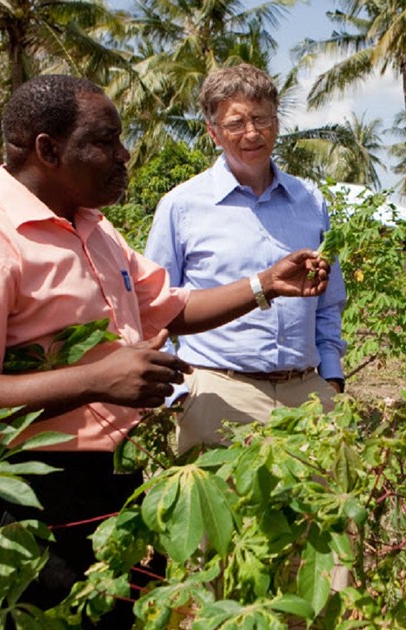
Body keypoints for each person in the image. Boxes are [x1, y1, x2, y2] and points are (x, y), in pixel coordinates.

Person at [0, 74, 329, 627]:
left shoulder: (95, 230)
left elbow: (169, 306)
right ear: (48, 149)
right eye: (105, 142)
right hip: (18, 489)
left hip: (108, 480)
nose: (123, 154)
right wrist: (96, 380)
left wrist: (265, 286)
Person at [145, 63, 348, 454]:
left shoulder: (310, 201)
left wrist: (332, 379)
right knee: (221, 514)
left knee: (313, 515)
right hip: (218, 393)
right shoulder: (182, 206)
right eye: (236, 123)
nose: (252, 133)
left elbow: (329, 300)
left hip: (306, 394)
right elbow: (153, 306)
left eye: (261, 119)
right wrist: (180, 395)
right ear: (213, 132)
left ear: (277, 121)